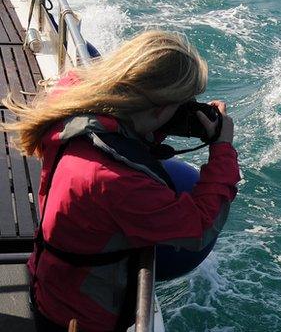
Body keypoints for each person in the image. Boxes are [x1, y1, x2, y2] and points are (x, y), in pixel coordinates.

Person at [1, 30, 240, 331]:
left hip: (50, 284)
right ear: (158, 107)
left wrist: (165, 123)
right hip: (79, 318)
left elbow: (125, 132)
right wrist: (222, 150)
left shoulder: (73, 99)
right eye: (183, 103)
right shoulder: (114, 181)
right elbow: (200, 228)